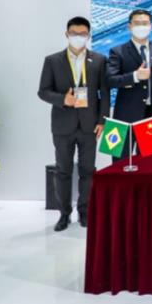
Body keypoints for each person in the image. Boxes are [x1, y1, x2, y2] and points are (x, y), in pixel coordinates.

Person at [37, 16, 109, 231]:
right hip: (63, 125)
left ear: (88, 35)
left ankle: (84, 212)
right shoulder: (52, 61)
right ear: (66, 34)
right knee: (63, 170)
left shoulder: (99, 60)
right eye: (74, 33)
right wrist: (63, 99)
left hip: (90, 125)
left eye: (83, 34)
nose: (78, 37)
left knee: (88, 171)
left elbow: (104, 93)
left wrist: (102, 120)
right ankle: (64, 214)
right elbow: (43, 91)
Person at [106, 9, 152, 160]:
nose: (141, 27)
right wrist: (134, 76)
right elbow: (110, 80)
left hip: (150, 116)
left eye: (145, 23)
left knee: (146, 162)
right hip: (122, 117)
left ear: (151, 26)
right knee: (118, 162)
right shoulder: (117, 51)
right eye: (137, 23)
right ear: (129, 26)